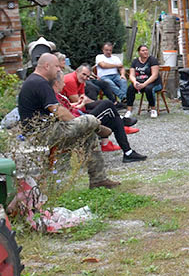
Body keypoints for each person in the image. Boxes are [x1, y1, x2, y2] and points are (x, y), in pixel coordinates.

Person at [17, 53, 119, 189]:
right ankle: (98, 127)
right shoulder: (39, 83)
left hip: (43, 131)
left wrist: (80, 125)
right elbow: (57, 110)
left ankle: (98, 180)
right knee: (88, 120)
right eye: (57, 67)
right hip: (43, 134)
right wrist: (77, 123)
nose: (59, 70)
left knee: (89, 134)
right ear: (47, 66)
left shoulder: (33, 81)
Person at [57, 69, 147, 163]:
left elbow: (71, 106)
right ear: (56, 83)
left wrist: (80, 103)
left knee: (116, 121)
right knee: (107, 104)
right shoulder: (58, 94)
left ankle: (128, 153)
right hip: (79, 121)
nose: (64, 85)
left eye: (87, 76)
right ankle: (123, 120)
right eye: (62, 83)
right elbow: (66, 113)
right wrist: (81, 104)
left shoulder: (60, 94)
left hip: (80, 112)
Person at [127, 44, 162, 119]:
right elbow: (131, 75)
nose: (145, 52)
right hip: (139, 82)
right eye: (143, 50)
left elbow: (154, 75)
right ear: (139, 52)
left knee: (148, 89)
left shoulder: (152, 60)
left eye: (146, 50)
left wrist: (144, 84)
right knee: (130, 88)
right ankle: (129, 110)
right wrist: (135, 82)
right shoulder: (135, 61)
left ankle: (153, 109)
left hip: (154, 83)